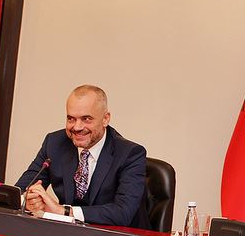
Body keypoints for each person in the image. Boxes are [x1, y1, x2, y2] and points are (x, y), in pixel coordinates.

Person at [15, 85, 149, 227]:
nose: (77, 127)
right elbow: (21, 190)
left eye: (86, 119)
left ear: (105, 119)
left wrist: (64, 212)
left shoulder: (130, 154)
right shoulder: (55, 143)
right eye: (71, 119)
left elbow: (123, 213)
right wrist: (29, 200)